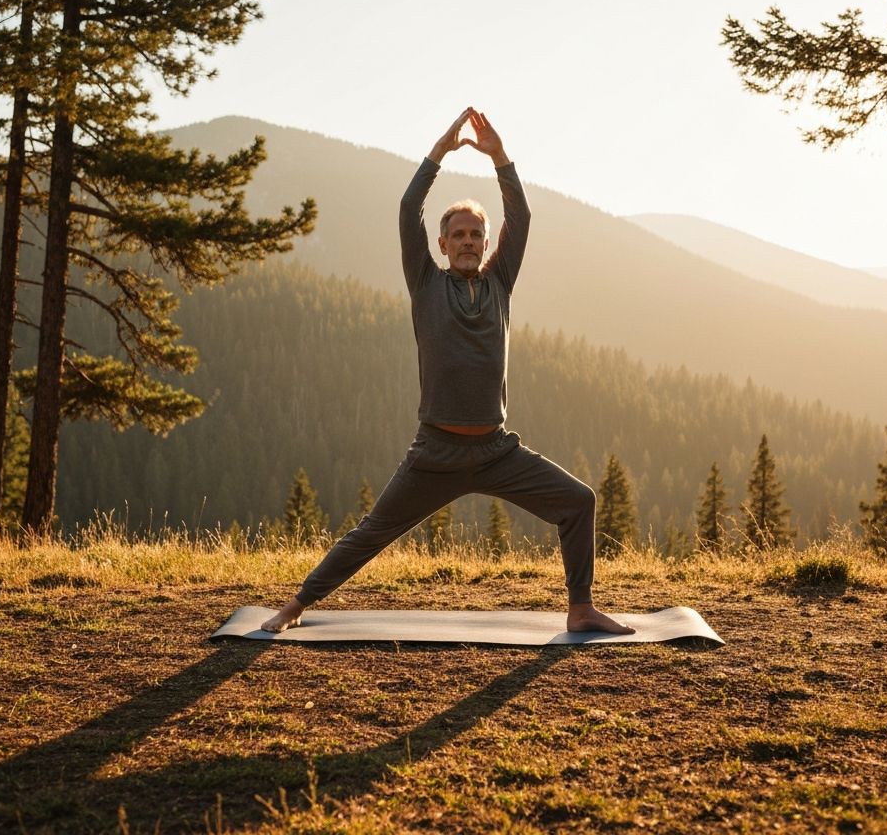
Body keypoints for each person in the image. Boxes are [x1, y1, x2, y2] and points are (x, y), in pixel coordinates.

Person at [262, 108, 635, 635]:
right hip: (436, 452)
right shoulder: (425, 282)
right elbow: (408, 206)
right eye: (457, 234)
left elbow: (521, 218)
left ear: (486, 243)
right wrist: (439, 151)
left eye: (475, 234)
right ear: (442, 245)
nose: (466, 241)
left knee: (578, 501)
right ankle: (294, 607)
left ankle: (580, 608)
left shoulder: (500, 281)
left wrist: (501, 158)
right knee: (371, 533)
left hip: (496, 450)